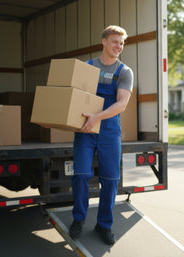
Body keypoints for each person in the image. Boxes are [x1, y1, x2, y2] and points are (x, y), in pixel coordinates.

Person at [69, 25, 133, 245]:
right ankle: (78, 219)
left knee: (111, 179)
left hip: (108, 129)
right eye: (115, 41)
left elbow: (122, 104)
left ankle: (103, 225)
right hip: (86, 128)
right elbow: (74, 97)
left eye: (122, 43)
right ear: (104, 41)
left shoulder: (124, 71)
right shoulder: (88, 67)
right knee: (81, 174)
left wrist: (97, 117)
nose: (119, 46)